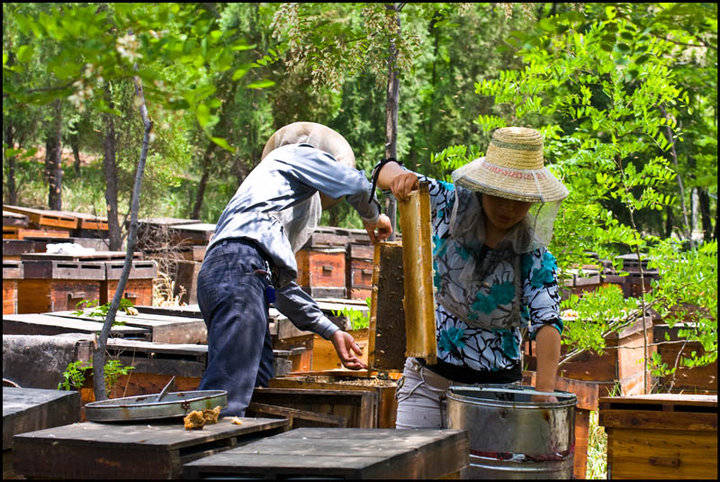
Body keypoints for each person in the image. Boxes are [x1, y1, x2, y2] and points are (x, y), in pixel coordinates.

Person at [373, 126, 568, 428]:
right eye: (500, 196)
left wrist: (544, 388)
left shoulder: (535, 257)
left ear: (532, 201)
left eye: (519, 199)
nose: (508, 208)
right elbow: (386, 168)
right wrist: (400, 178)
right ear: (484, 188)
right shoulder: (450, 204)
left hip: (494, 396)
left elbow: (548, 321)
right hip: (425, 384)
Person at [197, 122, 392, 417]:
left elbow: (281, 290)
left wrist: (331, 331)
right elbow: (354, 184)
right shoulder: (296, 154)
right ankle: (205, 458)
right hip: (241, 273)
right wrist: (373, 216)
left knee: (257, 385)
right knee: (225, 402)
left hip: (233, 275)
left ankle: (240, 457)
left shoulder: (266, 196)